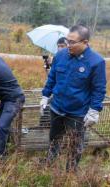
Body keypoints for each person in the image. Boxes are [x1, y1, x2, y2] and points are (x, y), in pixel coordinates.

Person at [40, 25, 106, 171]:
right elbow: (52, 77)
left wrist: (94, 110)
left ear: (85, 42)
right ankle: (49, 163)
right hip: (57, 108)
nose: (68, 45)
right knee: (54, 138)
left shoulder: (96, 62)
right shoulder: (61, 55)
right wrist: (45, 95)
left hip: (77, 112)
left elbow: (99, 89)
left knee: (75, 144)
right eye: (67, 41)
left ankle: (70, 172)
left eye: (72, 42)